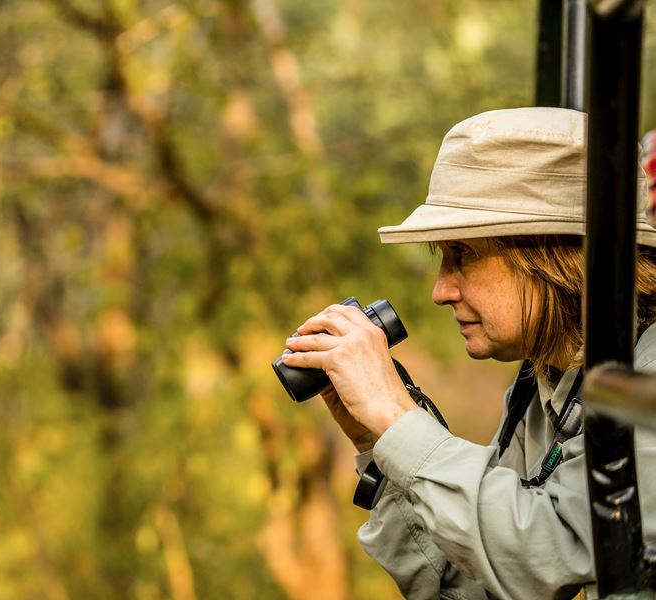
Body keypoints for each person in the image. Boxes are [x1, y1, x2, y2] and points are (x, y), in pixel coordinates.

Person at [280, 107, 656, 599]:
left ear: (552, 256)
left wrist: (398, 417)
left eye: (464, 255)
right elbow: (480, 589)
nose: (441, 292)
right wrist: (378, 442)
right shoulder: (547, 387)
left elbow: (554, 547)